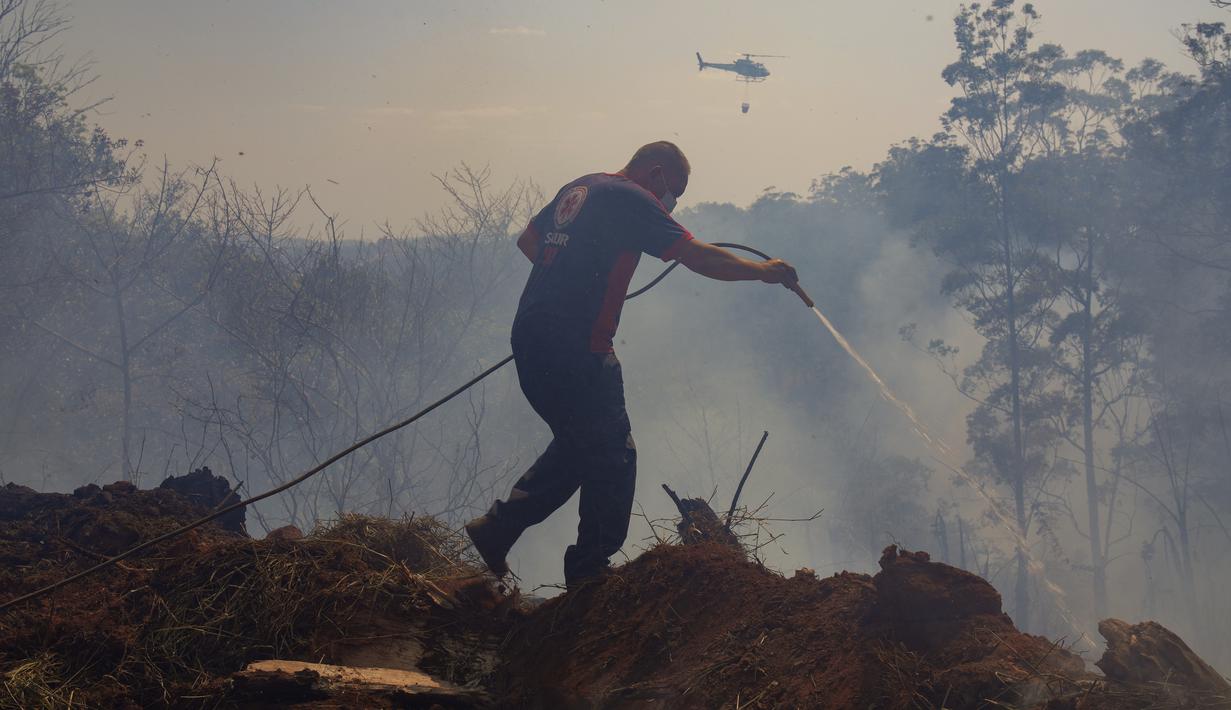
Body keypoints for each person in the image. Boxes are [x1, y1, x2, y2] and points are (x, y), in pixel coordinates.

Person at [465, 141, 801, 588]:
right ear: (656, 174)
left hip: (531, 337)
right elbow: (697, 254)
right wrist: (761, 271)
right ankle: (590, 572)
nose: (672, 202)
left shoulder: (581, 186)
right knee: (614, 457)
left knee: (580, 444)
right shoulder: (632, 198)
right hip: (579, 347)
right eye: (675, 191)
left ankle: (498, 528)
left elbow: (530, 240)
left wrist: (575, 276)